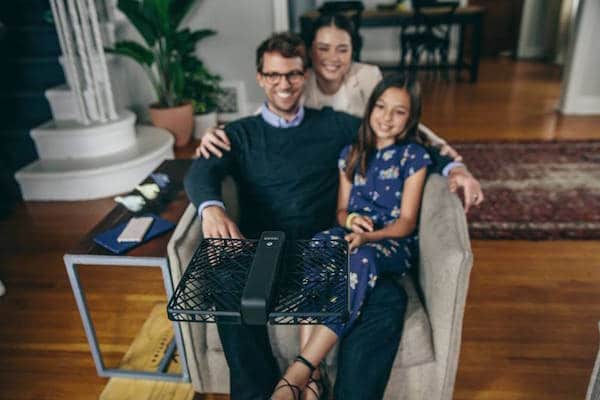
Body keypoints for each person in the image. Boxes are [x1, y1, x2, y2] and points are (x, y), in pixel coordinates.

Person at [185, 32, 454, 400]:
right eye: (274, 75)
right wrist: (211, 208)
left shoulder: (334, 125)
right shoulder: (239, 133)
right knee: (228, 279)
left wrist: (454, 166)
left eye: (293, 74)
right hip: (266, 251)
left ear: (305, 76)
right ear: (260, 77)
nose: (284, 84)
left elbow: (398, 137)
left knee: (388, 299)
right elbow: (200, 172)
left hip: (329, 249)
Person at [195, 14, 484, 212]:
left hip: (359, 171)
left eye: (342, 49)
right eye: (323, 48)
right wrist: (219, 134)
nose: (332, 58)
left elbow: (389, 124)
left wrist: (447, 159)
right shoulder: (291, 87)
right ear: (311, 54)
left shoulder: (365, 80)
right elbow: (270, 119)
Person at [273, 74, 431, 400]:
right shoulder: (351, 154)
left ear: (411, 118)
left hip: (388, 243)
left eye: (399, 111)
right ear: (370, 108)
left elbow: (407, 222)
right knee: (319, 245)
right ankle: (314, 380)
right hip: (352, 235)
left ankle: (300, 370)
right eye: (381, 106)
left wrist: (371, 237)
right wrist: (352, 220)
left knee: (359, 257)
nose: (387, 117)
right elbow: (341, 211)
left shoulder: (413, 157)